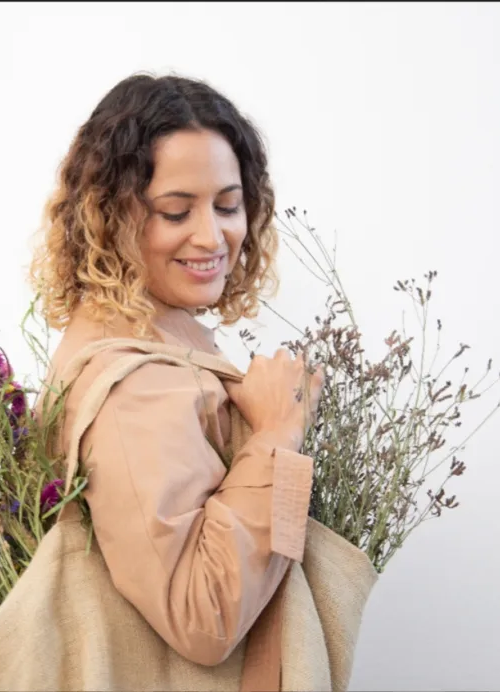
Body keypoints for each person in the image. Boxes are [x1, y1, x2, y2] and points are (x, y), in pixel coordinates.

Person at [28, 72, 325, 670]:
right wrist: (275, 435)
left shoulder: (132, 332)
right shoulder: (138, 387)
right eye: (175, 211)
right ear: (110, 218)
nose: (212, 236)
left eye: (228, 205)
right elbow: (203, 619)